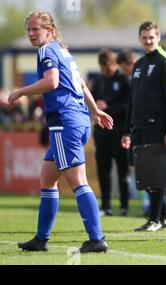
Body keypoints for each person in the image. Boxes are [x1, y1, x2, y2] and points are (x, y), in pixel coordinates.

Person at [9, 11, 113, 253]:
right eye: (29, 30)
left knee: (78, 181)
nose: (32, 34)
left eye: (36, 29)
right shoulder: (62, 51)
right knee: (47, 178)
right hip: (78, 119)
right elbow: (81, 84)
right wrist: (95, 110)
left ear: (50, 30)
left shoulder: (47, 51)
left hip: (65, 122)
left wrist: (21, 91)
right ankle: (41, 239)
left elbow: (52, 82)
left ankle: (96, 239)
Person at [121, 21, 166, 232]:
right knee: (143, 174)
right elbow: (132, 101)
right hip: (139, 128)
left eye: (151, 37)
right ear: (140, 39)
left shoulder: (165, 62)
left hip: (157, 127)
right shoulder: (139, 64)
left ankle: (155, 220)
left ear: (158, 37)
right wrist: (126, 130)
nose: (148, 41)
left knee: (155, 173)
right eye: (144, 38)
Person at [91, 49, 130, 216]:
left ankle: (124, 206)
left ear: (114, 64)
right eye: (103, 68)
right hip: (101, 133)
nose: (105, 71)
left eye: (108, 67)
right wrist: (95, 108)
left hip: (118, 132)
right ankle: (106, 206)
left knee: (122, 171)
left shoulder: (123, 80)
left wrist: (108, 108)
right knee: (103, 171)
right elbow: (90, 102)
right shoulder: (98, 81)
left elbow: (128, 107)